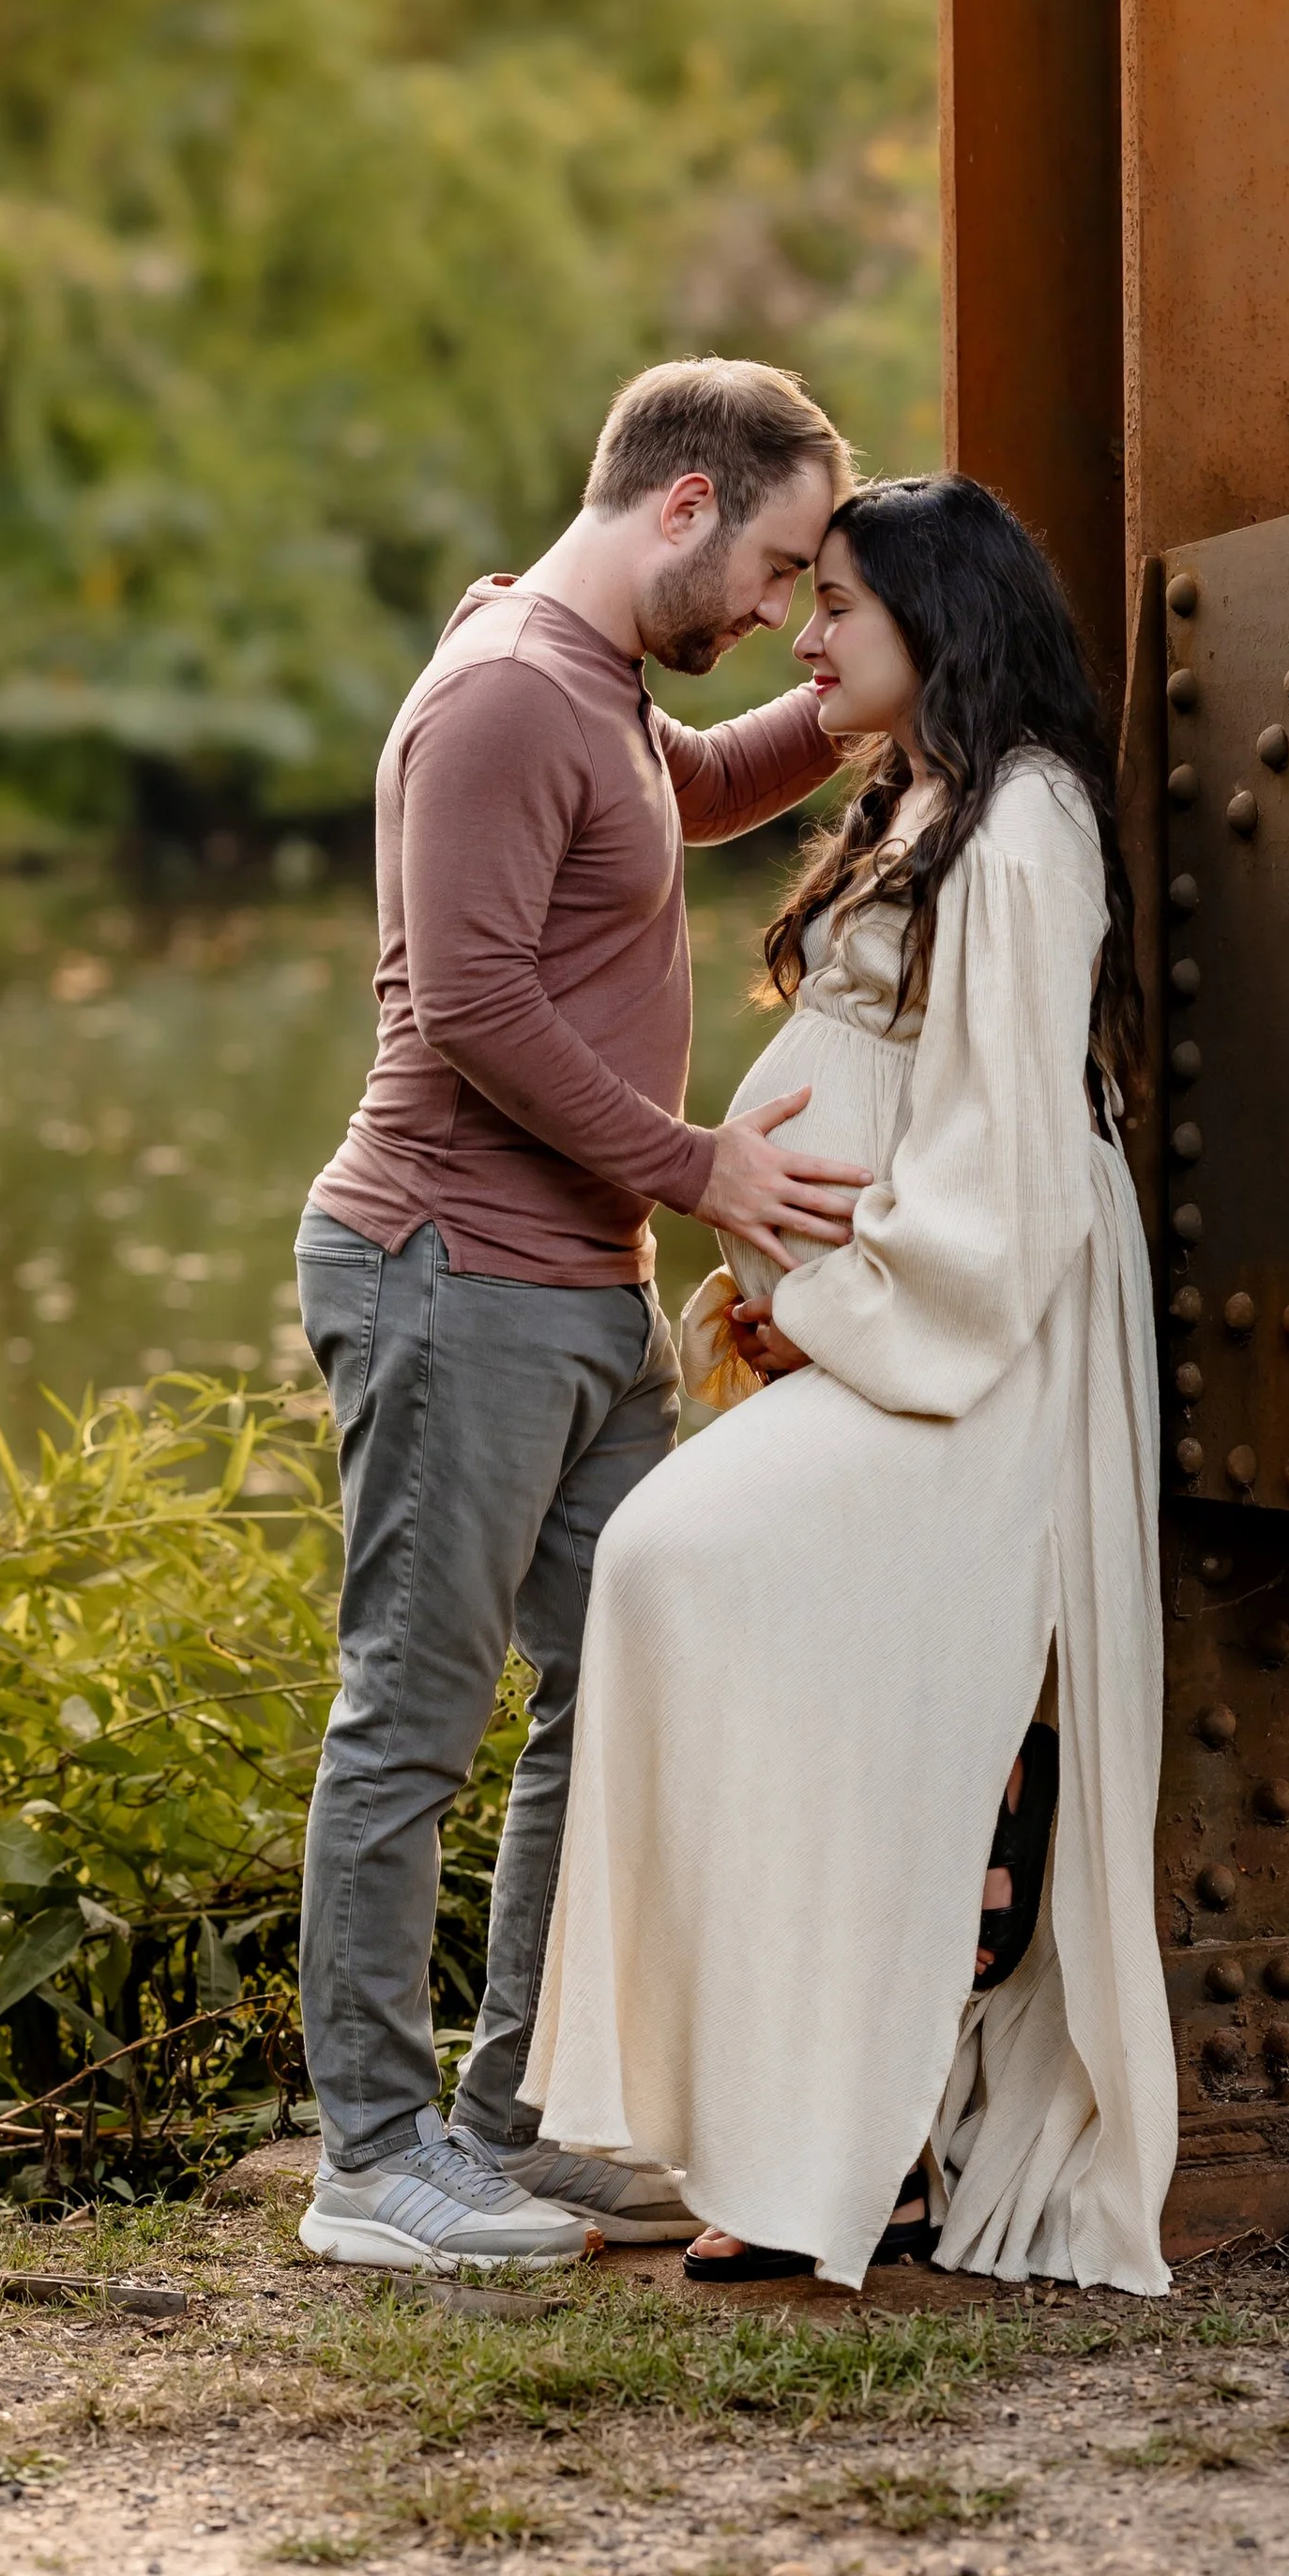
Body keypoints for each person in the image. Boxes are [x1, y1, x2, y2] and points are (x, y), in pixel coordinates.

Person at [524, 474, 1175, 2294]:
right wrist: (790, 1284)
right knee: (702, 1610)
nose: (802, 643)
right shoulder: (931, 797)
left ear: (936, 624)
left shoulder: (1026, 825)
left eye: (838, 611)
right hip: (880, 1324)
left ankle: (838, 2143)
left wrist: (843, 1305)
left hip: (982, 1349)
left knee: (678, 1568)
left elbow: (1012, 1154)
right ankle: (795, 2142)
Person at [292, 357, 874, 2272]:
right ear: (686, 508)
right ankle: (370, 2166)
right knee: (413, 1722)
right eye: (786, 568)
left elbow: (696, 795)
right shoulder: (499, 698)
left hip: (572, 1291)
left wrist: (872, 692)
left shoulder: (596, 691)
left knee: (604, 1697)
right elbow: (468, 1003)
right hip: (445, 1273)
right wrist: (699, 1166)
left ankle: (512, 2130)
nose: (785, 609)